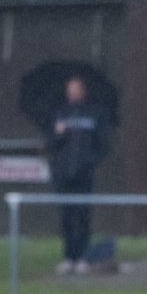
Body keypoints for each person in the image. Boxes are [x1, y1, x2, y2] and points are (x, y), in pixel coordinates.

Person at [46, 75, 113, 275]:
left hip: (84, 173)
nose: (73, 92)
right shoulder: (60, 113)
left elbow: (104, 144)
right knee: (66, 216)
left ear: (83, 90)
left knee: (82, 216)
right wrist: (58, 134)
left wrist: (90, 161)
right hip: (63, 174)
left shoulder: (95, 113)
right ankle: (69, 257)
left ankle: (83, 256)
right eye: (70, 89)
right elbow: (51, 144)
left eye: (76, 89)